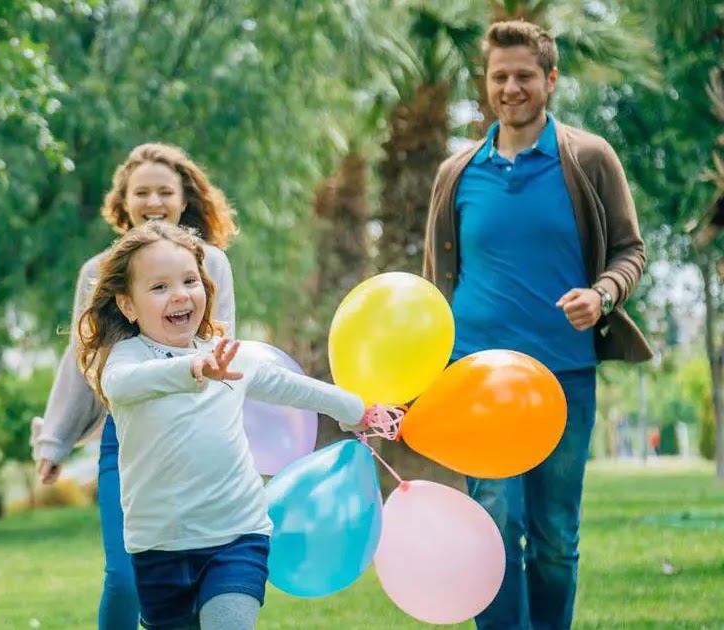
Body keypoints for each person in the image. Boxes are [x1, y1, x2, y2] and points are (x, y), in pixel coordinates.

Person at [422, 20, 652, 630]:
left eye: (524, 75)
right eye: (499, 76)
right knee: (494, 525)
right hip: (475, 380)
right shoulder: (456, 173)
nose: (511, 88)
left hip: (563, 378)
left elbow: (630, 250)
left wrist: (602, 295)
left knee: (554, 537)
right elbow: (435, 281)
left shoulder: (589, 158)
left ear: (550, 79)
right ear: (485, 82)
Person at [77, 220, 372, 630]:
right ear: (127, 305)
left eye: (189, 281)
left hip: (238, 534)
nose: (180, 294)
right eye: (159, 287)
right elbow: (122, 385)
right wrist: (191, 369)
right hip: (158, 546)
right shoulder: (128, 358)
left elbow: (291, 387)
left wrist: (355, 409)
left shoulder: (228, 355)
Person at [31, 143, 238, 630]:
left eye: (165, 191)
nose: (154, 201)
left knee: (190, 577)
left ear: (184, 199)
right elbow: (83, 359)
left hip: (194, 436)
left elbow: (221, 343)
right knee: (125, 579)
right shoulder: (98, 271)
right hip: (125, 442)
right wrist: (54, 440)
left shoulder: (210, 263)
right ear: (123, 202)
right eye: (141, 192)